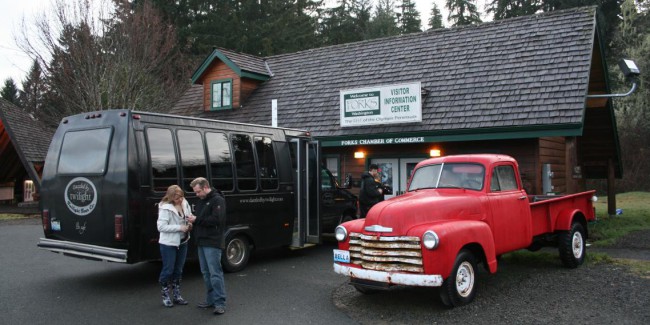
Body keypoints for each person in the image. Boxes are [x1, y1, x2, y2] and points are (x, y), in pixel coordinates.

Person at [187, 177, 227, 315]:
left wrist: (197, 219)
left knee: (215, 273)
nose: (196, 195)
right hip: (201, 241)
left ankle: (220, 302)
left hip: (212, 242)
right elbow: (201, 220)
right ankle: (210, 300)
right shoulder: (201, 201)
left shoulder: (218, 200)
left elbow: (217, 220)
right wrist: (193, 222)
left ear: (205, 187)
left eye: (198, 192)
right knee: (206, 273)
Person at [157, 185, 192, 308]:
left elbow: (188, 216)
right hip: (168, 243)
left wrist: (189, 223)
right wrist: (179, 228)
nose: (180, 200)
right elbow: (161, 227)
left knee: (179, 270)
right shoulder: (165, 208)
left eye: (181, 197)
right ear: (171, 197)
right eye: (177, 198)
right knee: (168, 269)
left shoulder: (184, 203)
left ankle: (177, 295)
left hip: (183, 241)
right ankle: (165, 294)